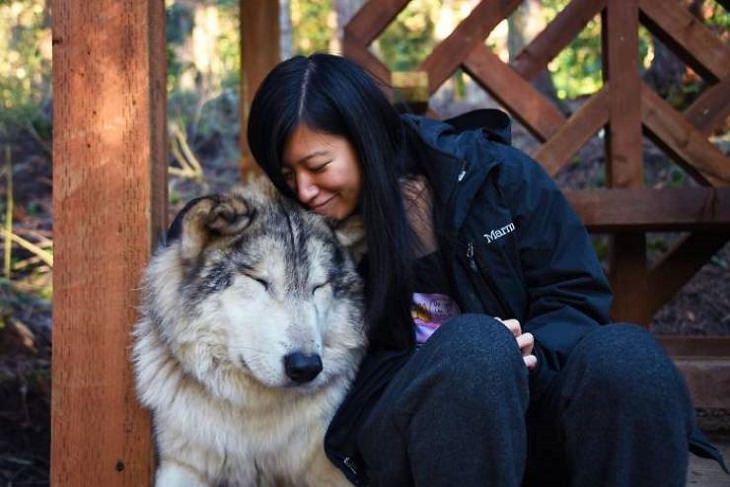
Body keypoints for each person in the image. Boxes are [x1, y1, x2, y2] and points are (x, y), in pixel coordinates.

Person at [246, 53, 725, 486]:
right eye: (289, 176)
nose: (305, 190)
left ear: (364, 136)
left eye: (317, 165)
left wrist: (529, 353)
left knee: (628, 355)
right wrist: (468, 358)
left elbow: (575, 296)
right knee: (475, 349)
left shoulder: (493, 176)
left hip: (536, 415)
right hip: (407, 440)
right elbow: (334, 367)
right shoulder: (303, 237)